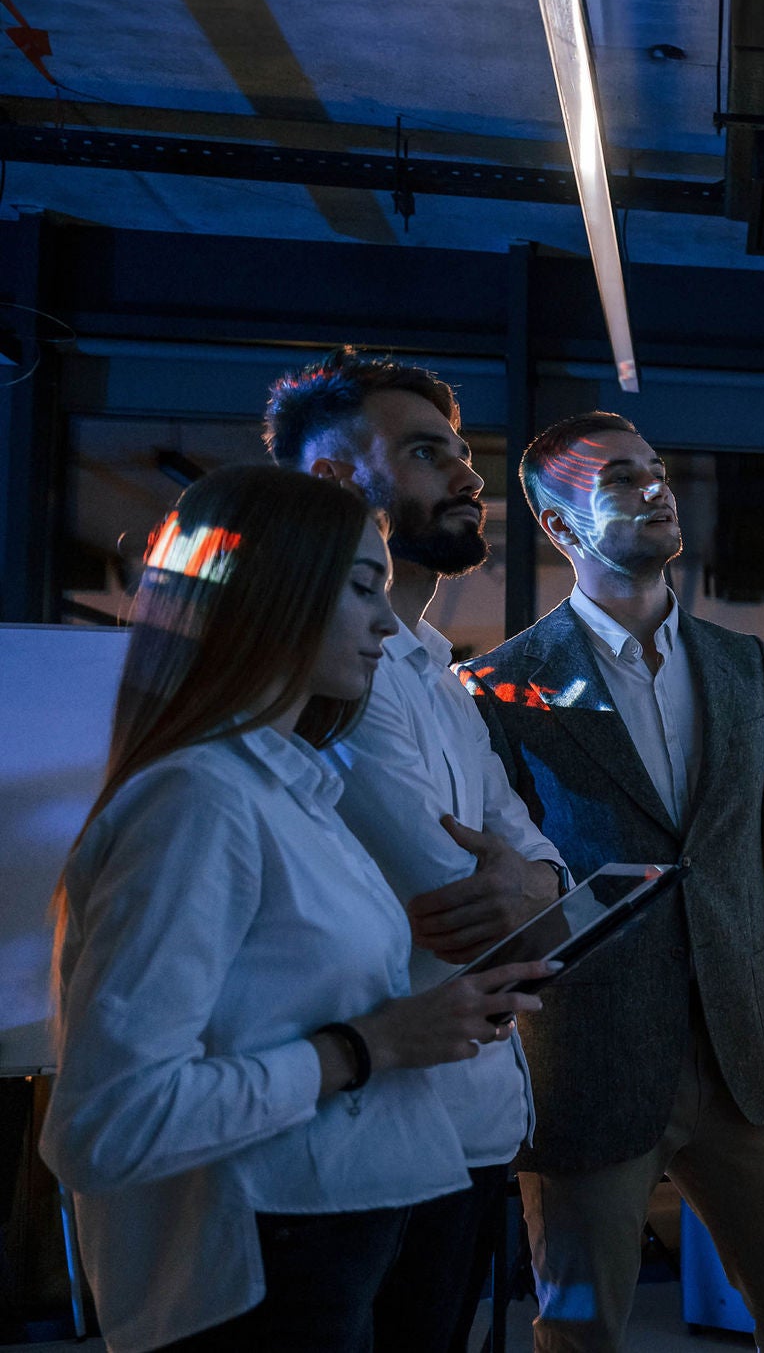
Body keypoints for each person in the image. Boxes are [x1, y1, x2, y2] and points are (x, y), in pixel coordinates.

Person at [40, 465, 554, 1353]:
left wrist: (419, 1024)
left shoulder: (285, 788)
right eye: (362, 588)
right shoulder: (200, 800)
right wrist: (370, 1046)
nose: (387, 623)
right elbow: (108, 1124)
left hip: (325, 1254)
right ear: (274, 590)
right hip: (257, 1283)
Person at [459, 413, 764, 1353]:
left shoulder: (741, 666)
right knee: (581, 1333)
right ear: (560, 528)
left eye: (656, 471)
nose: (655, 489)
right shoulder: (503, 685)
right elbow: (504, 887)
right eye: (619, 481)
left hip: (749, 1055)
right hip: (587, 1061)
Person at [265, 347, 572, 1353]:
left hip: (474, 1121)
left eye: (462, 452)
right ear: (329, 481)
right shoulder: (317, 683)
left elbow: (542, 872)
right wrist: (528, 887)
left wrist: (530, 883)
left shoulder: (439, 673)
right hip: (353, 1141)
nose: (470, 475)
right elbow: (454, 893)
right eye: (427, 452)